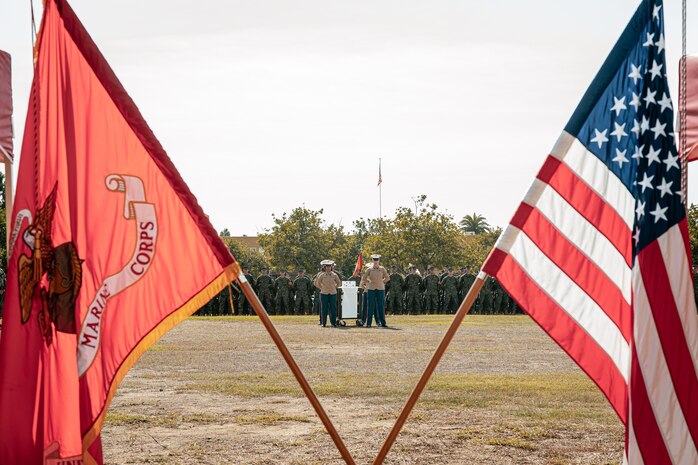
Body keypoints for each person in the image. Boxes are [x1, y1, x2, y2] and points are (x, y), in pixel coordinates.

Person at [360, 254, 390, 327]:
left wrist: (382, 281)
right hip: (371, 289)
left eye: (377, 260)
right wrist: (369, 281)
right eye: (374, 260)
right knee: (370, 306)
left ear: (379, 260)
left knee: (381, 306)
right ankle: (369, 323)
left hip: (380, 289)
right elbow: (364, 278)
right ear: (372, 260)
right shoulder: (369, 269)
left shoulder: (382, 269)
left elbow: (387, 278)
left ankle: (383, 323)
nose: (376, 261)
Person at [315, 260, 341, 327]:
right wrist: (322, 287)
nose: (328, 268)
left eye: (329, 267)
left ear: (331, 267)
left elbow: (339, 283)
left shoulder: (334, 275)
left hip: (333, 293)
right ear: (324, 267)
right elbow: (317, 283)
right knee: (324, 308)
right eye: (327, 267)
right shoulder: (322, 275)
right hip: (324, 293)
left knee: (333, 308)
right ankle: (324, 323)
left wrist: (334, 287)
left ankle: (333, 323)